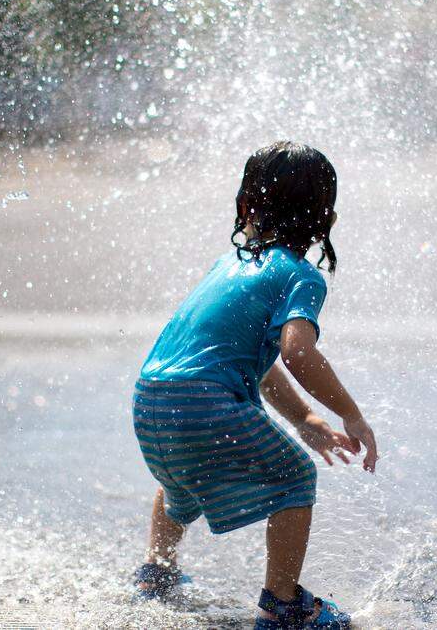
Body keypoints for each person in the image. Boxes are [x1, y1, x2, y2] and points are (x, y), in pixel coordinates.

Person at [130, 142, 379, 629]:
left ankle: (156, 571)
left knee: (178, 481)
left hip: (150, 396)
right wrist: (350, 412)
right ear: (324, 217)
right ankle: (281, 604)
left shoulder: (226, 266)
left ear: (247, 204)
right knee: (295, 477)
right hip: (204, 400)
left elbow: (255, 363)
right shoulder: (300, 275)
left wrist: (305, 417)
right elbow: (297, 351)